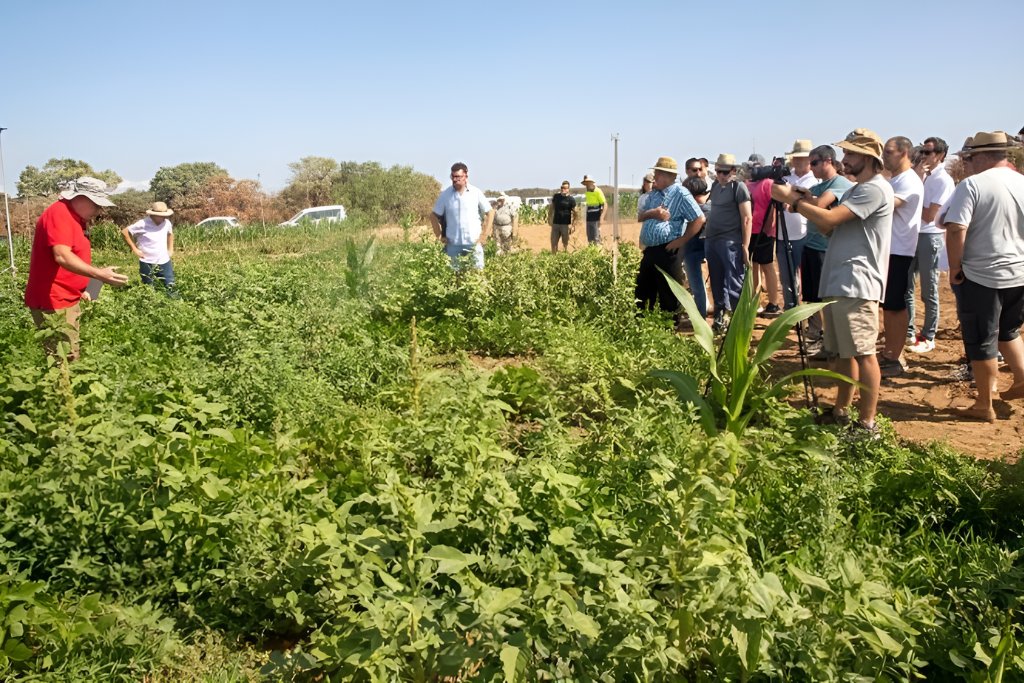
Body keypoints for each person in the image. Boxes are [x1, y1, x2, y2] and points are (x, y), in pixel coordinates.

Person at [772, 128, 894, 439]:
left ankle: (867, 425)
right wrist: (807, 200)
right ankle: (841, 411)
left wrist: (793, 201)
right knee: (842, 353)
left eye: (851, 153)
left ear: (868, 157)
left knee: (864, 353)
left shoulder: (874, 189)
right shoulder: (857, 189)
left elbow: (828, 220)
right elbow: (829, 228)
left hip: (857, 281)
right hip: (841, 279)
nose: (845, 158)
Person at [942, 131, 1024, 422]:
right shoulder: (1021, 182)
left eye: (970, 157)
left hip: (982, 273)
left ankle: (984, 403)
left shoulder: (973, 185)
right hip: (1018, 271)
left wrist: (955, 267)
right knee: (1008, 330)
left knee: (981, 339)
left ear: (981, 156)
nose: (968, 162)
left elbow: (956, 228)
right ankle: (1021, 377)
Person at [23, 177, 129, 361]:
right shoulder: (59, 214)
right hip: (54, 301)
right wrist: (99, 274)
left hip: (67, 296)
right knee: (63, 359)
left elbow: (74, 257)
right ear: (81, 198)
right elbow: (62, 256)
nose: (99, 210)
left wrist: (89, 284)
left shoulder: (75, 217)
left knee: (68, 354)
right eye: (96, 204)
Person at [634, 156, 705, 320]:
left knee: (669, 294)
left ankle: (671, 327)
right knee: (643, 291)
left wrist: (681, 240)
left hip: (668, 250)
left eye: (657, 174)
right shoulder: (654, 194)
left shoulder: (680, 193)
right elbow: (640, 217)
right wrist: (653, 213)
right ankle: (644, 324)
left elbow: (699, 218)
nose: (655, 177)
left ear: (667, 176)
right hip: (650, 250)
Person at [878, 136, 925, 377]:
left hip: (899, 250)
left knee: (895, 306)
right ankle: (891, 352)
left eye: (888, 152)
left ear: (904, 152)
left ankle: (894, 357)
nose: (883, 157)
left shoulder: (908, 180)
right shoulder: (896, 179)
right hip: (889, 250)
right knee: (889, 305)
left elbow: (883, 205)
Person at [803, 145, 854, 356]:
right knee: (812, 295)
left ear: (828, 161)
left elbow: (820, 205)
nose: (811, 167)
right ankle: (816, 334)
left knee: (825, 297)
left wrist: (799, 199)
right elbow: (797, 207)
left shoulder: (839, 183)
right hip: (811, 245)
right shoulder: (819, 186)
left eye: (814, 163)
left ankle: (827, 340)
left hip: (826, 248)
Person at [905, 136, 954, 354]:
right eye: (922, 151)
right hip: (914, 235)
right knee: (906, 286)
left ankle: (928, 335)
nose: (923, 156)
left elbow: (928, 215)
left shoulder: (943, 180)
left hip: (930, 236)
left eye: (928, 152)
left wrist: (909, 202)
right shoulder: (922, 176)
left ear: (940, 155)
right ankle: (908, 331)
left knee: (929, 289)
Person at [705, 153, 752, 333]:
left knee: (734, 282)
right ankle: (720, 316)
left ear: (733, 171)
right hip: (712, 240)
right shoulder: (716, 186)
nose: (721, 175)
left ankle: (740, 322)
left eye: (725, 172)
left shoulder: (739, 187)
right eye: (718, 171)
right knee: (716, 281)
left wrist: (745, 246)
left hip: (730, 241)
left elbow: (747, 218)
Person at [431, 162, 494, 270]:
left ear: (466, 176)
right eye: (453, 176)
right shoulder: (445, 195)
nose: (455, 179)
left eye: (458, 177)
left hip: (474, 244)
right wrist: (439, 236)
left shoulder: (475, 192)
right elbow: (433, 216)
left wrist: (484, 235)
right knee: (454, 275)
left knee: (477, 274)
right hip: (453, 245)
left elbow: (490, 212)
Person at [779, 140, 817, 311]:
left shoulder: (815, 180)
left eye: (803, 158)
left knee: (806, 276)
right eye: (797, 158)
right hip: (783, 234)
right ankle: (790, 308)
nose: (799, 161)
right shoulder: (785, 179)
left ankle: (808, 312)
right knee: (787, 277)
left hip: (806, 235)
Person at [745, 165, 782, 317]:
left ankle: (773, 302)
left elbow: (773, 207)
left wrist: (768, 229)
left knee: (767, 266)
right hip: (750, 231)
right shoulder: (747, 184)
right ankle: (755, 302)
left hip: (765, 232)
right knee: (753, 266)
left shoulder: (768, 183)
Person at [121, 201, 177, 296]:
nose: (164, 217)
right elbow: (125, 232)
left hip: (164, 260)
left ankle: (174, 302)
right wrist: (134, 249)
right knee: (149, 288)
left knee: (170, 285)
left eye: (165, 215)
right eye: (161, 216)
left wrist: (170, 249)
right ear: (153, 215)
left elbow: (170, 234)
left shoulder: (167, 223)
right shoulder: (142, 224)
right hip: (147, 261)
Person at [681, 175, 712, 319]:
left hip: (690, 249)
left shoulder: (686, 210)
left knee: (696, 284)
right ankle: (721, 315)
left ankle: (701, 316)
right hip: (712, 246)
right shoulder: (713, 208)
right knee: (718, 281)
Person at [548, 180, 577, 253]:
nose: (563, 189)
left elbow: (575, 213)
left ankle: (564, 256)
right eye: (562, 187)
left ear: (568, 189)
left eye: (565, 188)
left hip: (565, 225)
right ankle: (554, 256)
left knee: (565, 243)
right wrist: (549, 218)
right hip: (556, 224)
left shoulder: (571, 199)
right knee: (553, 242)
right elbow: (551, 207)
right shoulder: (556, 197)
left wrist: (573, 225)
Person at [581, 175, 606, 245]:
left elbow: (605, 204)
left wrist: (601, 218)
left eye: (588, 182)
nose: (586, 184)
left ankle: (599, 251)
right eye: (585, 183)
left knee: (596, 238)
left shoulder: (598, 191)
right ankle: (592, 251)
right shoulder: (587, 192)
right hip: (589, 218)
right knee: (590, 239)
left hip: (596, 219)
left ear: (591, 182)